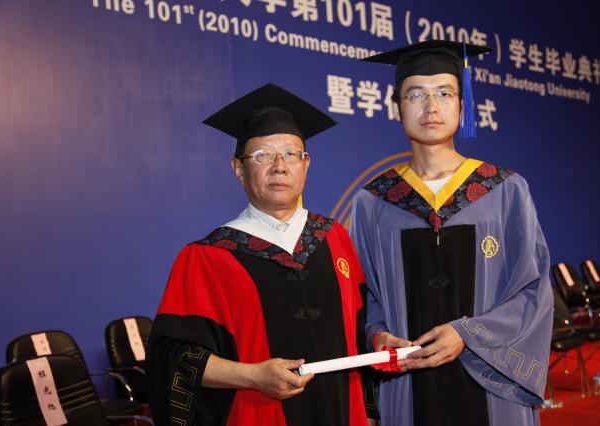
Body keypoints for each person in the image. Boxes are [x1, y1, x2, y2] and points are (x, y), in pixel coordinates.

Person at [349, 40, 553, 426]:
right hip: (408, 384)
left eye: (444, 93)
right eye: (416, 95)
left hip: (490, 387)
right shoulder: (373, 202)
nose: (431, 107)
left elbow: (533, 292)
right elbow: (364, 297)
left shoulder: (504, 190)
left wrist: (467, 335)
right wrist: (376, 336)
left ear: (462, 105)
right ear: (396, 108)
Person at [147, 83, 368, 425]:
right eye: (263, 155)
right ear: (239, 169)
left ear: (306, 164)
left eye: (291, 154)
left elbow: (362, 327)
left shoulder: (334, 237)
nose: (279, 166)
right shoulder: (209, 257)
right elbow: (173, 358)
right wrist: (252, 376)